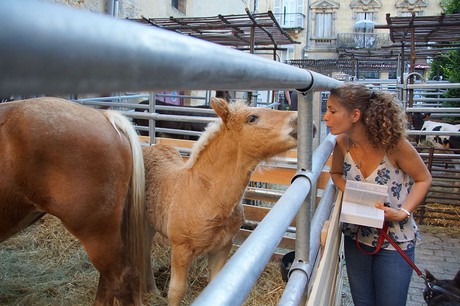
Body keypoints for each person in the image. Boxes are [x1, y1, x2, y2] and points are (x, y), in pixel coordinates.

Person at [323, 83, 432, 306]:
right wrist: (356, 192)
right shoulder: (342, 143)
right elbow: (335, 174)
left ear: (355, 115)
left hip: (394, 239)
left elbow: (424, 179)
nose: (326, 117)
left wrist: (402, 212)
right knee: (362, 303)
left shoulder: (394, 145)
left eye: (332, 111)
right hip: (357, 236)